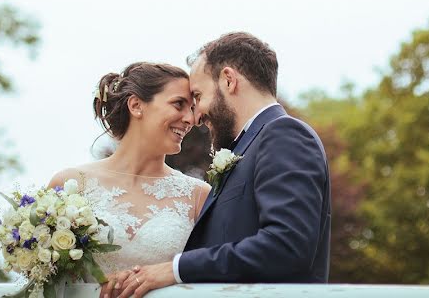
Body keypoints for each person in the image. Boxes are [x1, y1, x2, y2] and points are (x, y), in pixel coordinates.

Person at [111, 32, 332, 298]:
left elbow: (286, 246)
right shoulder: (249, 146)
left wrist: (175, 269)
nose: (198, 115)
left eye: (198, 95)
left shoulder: (283, 134)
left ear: (228, 80)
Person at [47, 62, 211, 290]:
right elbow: (48, 281)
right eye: (178, 104)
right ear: (136, 105)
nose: (190, 119)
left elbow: (208, 277)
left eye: (192, 108)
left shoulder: (199, 195)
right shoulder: (71, 184)